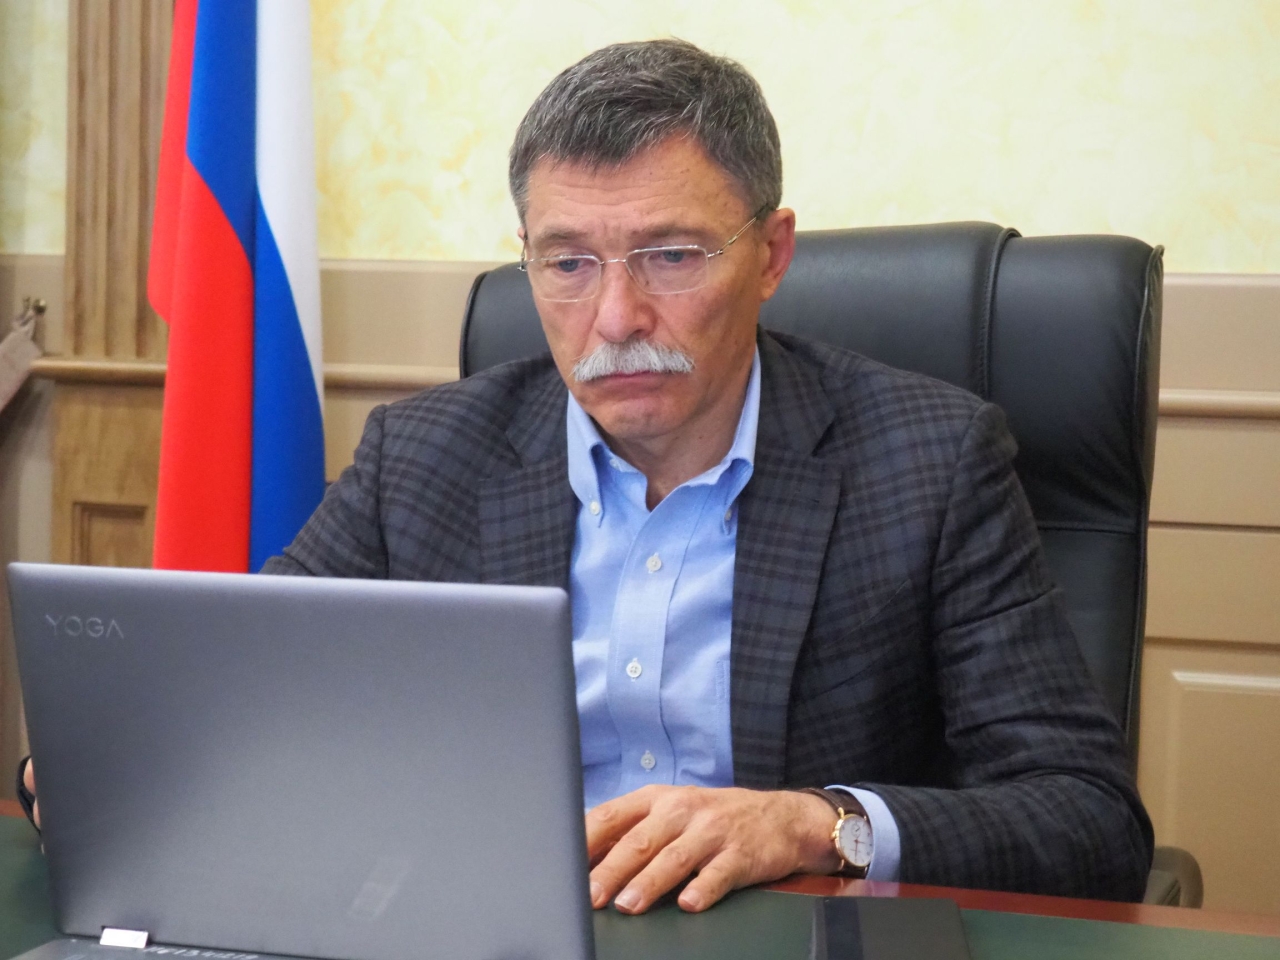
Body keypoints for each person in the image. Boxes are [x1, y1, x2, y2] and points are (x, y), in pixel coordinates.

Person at [20, 38, 1153, 914]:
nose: (614, 317)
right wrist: (105, 760)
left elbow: (1087, 820)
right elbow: (240, 698)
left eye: (671, 256)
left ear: (770, 255)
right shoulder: (426, 458)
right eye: (566, 263)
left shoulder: (928, 459)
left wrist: (814, 826)